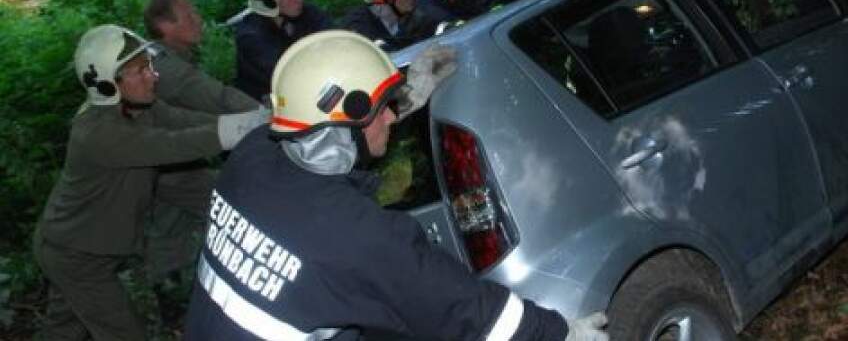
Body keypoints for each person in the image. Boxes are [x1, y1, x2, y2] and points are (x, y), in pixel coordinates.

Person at [183, 30, 609, 341]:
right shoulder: (358, 234)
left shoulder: (253, 156)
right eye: (384, 109)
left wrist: (407, 96)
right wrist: (563, 333)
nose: (391, 117)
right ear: (345, 123)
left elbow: (327, 133)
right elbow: (470, 311)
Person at [34, 24, 266, 341]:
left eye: (150, 66)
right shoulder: (97, 133)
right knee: (124, 333)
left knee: (64, 330)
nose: (153, 77)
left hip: (76, 248)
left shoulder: (143, 109)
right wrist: (253, 125)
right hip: (76, 256)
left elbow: (191, 123)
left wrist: (256, 122)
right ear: (106, 84)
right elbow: (176, 144)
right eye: (139, 71)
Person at [141, 0, 261, 285]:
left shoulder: (161, 57)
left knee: (169, 225)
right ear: (165, 25)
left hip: (168, 162)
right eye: (188, 15)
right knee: (238, 204)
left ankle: (169, 286)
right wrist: (268, 116)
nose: (198, 20)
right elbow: (217, 98)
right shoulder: (167, 68)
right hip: (166, 166)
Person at [234, 0, 331, 101]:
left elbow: (335, 39)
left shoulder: (307, 13)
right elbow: (289, 74)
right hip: (266, 108)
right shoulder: (251, 36)